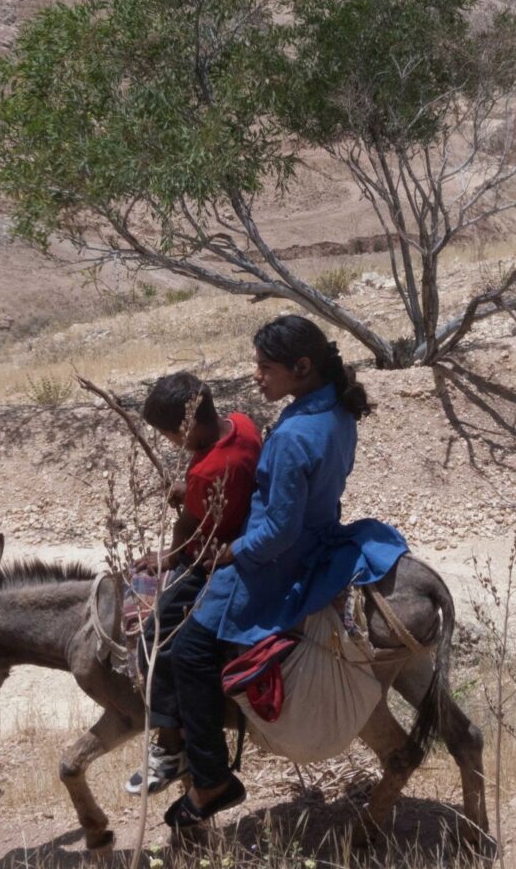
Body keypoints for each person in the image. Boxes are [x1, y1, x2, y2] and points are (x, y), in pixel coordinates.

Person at [164, 315, 408, 828]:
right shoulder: (335, 411)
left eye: (265, 367)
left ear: (302, 367)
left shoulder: (295, 433)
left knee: (186, 652)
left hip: (280, 560)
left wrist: (231, 553)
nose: (257, 376)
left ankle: (210, 781)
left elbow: (276, 529)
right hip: (320, 537)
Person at [124, 372, 261, 795]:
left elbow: (192, 530)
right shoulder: (243, 424)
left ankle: (171, 745)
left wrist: (168, 557)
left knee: (155, 639)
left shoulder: (207, 469)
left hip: (215, 559)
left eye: (169, 434)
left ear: (185, 426)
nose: (170, 442)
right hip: (236, 530)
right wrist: (189, 490)